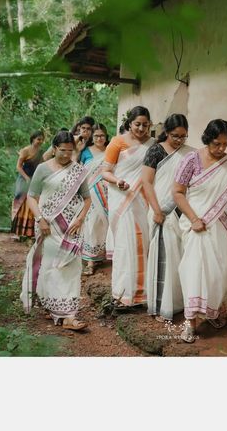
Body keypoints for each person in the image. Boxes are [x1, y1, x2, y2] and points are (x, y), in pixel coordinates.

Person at [173, 119, 227, 343]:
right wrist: (194, 219)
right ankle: (190, 322)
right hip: (197, 226)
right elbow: (177, 192)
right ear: (207, 139)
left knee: (219, 273)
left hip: (221, 227)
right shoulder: (191, 160)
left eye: (225, 144)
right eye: (217, 144)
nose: (221, 149)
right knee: (193, 271)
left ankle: (212, 311)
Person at [20, 131, 91, 331]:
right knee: (51, 266)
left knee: (70, 267)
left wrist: (80, 218)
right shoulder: (42, 169)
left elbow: (87, 199)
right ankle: (52, 304)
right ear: (54, 148)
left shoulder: (78, 171)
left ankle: (69, 314)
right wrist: (40, 219)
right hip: (48, 225)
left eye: (70, 151)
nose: (66, 155)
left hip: (71, 227)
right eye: (62, 151)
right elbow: (32, 197)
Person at [141, 114, 194, 322]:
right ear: (167, 132)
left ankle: (179, 303)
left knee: (180, 257)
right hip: (161, 211)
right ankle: (162, 305)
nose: (179, 140)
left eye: (183, 136)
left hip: (182, 211)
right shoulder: (156, 150)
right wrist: (156, 211)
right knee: (163, 257)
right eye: (175, 136)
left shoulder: (190, 154)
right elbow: (146, 182)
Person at [102, 106, 155, 311]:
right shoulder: (117, 142)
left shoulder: (153, 145)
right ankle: (123, 294)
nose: (141, 128)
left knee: (143, 244)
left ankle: (142, 295)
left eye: (145, 124)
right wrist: (118, 182)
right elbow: (105, 172)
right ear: (130, 124)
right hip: (122, 198)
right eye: (137, 124)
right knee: (126, 245)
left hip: (144, 200)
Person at [80, 123, 109, 276]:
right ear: (92, 136)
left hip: (107, 192)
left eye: (102, 135)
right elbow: (80, 172)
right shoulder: (85, 152)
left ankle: (103, 255)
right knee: (90, 224)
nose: (99, 138)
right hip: (90, 192)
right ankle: (90, 262)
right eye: (96, 135)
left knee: (104, 224)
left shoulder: (110, 150)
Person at [11, 130, 45, 239]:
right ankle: (17, 232)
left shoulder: (41, 152)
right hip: (24, 179)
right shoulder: (26, 150)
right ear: (33, 139)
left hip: (35, 180)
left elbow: (42, 166)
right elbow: (19, 166)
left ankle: (30, 232)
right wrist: (26, 178)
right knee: (20, 203)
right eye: (38, 139)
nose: (40, 141)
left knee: (33, 204)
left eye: (42, 139)